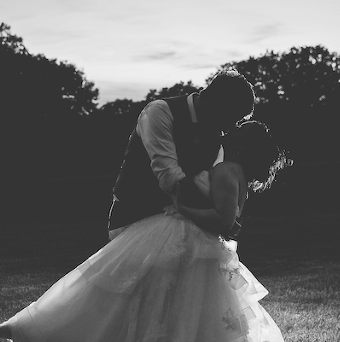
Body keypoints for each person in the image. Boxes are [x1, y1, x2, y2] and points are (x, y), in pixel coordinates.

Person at [0, 121, 327, 342]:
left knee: (118, 290)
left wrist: (182, 209)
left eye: (236, 132)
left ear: (242, 142)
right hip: (189, 245)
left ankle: (43, 331)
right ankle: (40, 329)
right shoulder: (234, 172)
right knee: (149, 306)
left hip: (186, 240)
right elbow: (233, 223)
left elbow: (224, 222)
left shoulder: (225, 170)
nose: (227, 132)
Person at [107, 69, 255, 241]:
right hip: (134, 218)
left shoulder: (216, 136)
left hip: (182, 223)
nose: (231, 127)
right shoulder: (159, 111)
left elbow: (208, 185)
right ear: (215, 103)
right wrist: (220, 217)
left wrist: (223, 217)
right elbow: (170, 176)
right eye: (231, 117)